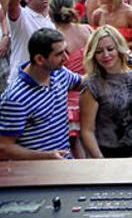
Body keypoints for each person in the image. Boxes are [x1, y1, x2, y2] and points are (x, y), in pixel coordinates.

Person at [79, 25, 132, 158]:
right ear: (93, 55)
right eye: (99, 51)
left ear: (119, 48)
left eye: (110, 49)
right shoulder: (92, 86)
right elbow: (87, 130)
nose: (105, 55)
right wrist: (100, 160)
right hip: (115, 154)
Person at [0, 28, 81, 160]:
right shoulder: (16, 99)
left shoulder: (58, 72)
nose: (66, 58)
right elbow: (4, 147)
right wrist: (45, 157)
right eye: (59, 54)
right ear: (39, 59)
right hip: (36, 174)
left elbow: (82, 83)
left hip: (63, 165)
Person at [49, 0, 91, 159]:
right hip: (90, 92)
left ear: (51, 14)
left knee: (75, 145)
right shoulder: (86, 30)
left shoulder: (55, 39)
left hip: (68, 99)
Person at [6, 0, 55, 86]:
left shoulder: (49, 20)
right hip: (21, 83)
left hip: (45, 82)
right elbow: (12, 5)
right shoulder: (22, 16)